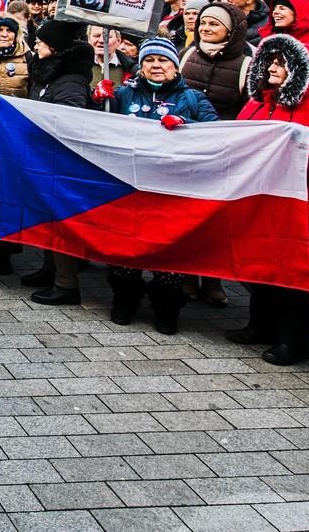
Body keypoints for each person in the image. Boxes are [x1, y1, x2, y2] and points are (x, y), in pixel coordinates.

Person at [233, 35, 309, 364]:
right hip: (262, 201)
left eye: (282, 63)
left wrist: (308, 144)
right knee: (260, 268)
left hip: (299, 207)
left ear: (301, 71)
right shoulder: (257, 102)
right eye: (271, 60)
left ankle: (292, 342)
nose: (272, 67)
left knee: (294, 277)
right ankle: (260, 326)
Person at [106, 38, 219, 333]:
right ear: (141, 66)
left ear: (175, 66)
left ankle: (166, 309)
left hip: (172, 191)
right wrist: (98, 100)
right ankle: (125, 300)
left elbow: (217, 133)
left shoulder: (193, 98)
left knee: (168, 254)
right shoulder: (123, 94)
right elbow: (97, 128)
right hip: (130, 187)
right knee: (124, 250)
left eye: (163, 60)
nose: (156, 65)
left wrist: (187, 124)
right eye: (149, 60)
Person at [22, 20, 96, 304]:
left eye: (40, 42)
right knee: (47, 217)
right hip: (44, 156)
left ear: (54, 47)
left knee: (60, 220)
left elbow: (68, 119)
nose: (35, 45)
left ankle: (66, 284)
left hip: (60, 160)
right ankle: (49, 268)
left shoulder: (70, 80)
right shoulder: (48, 71)